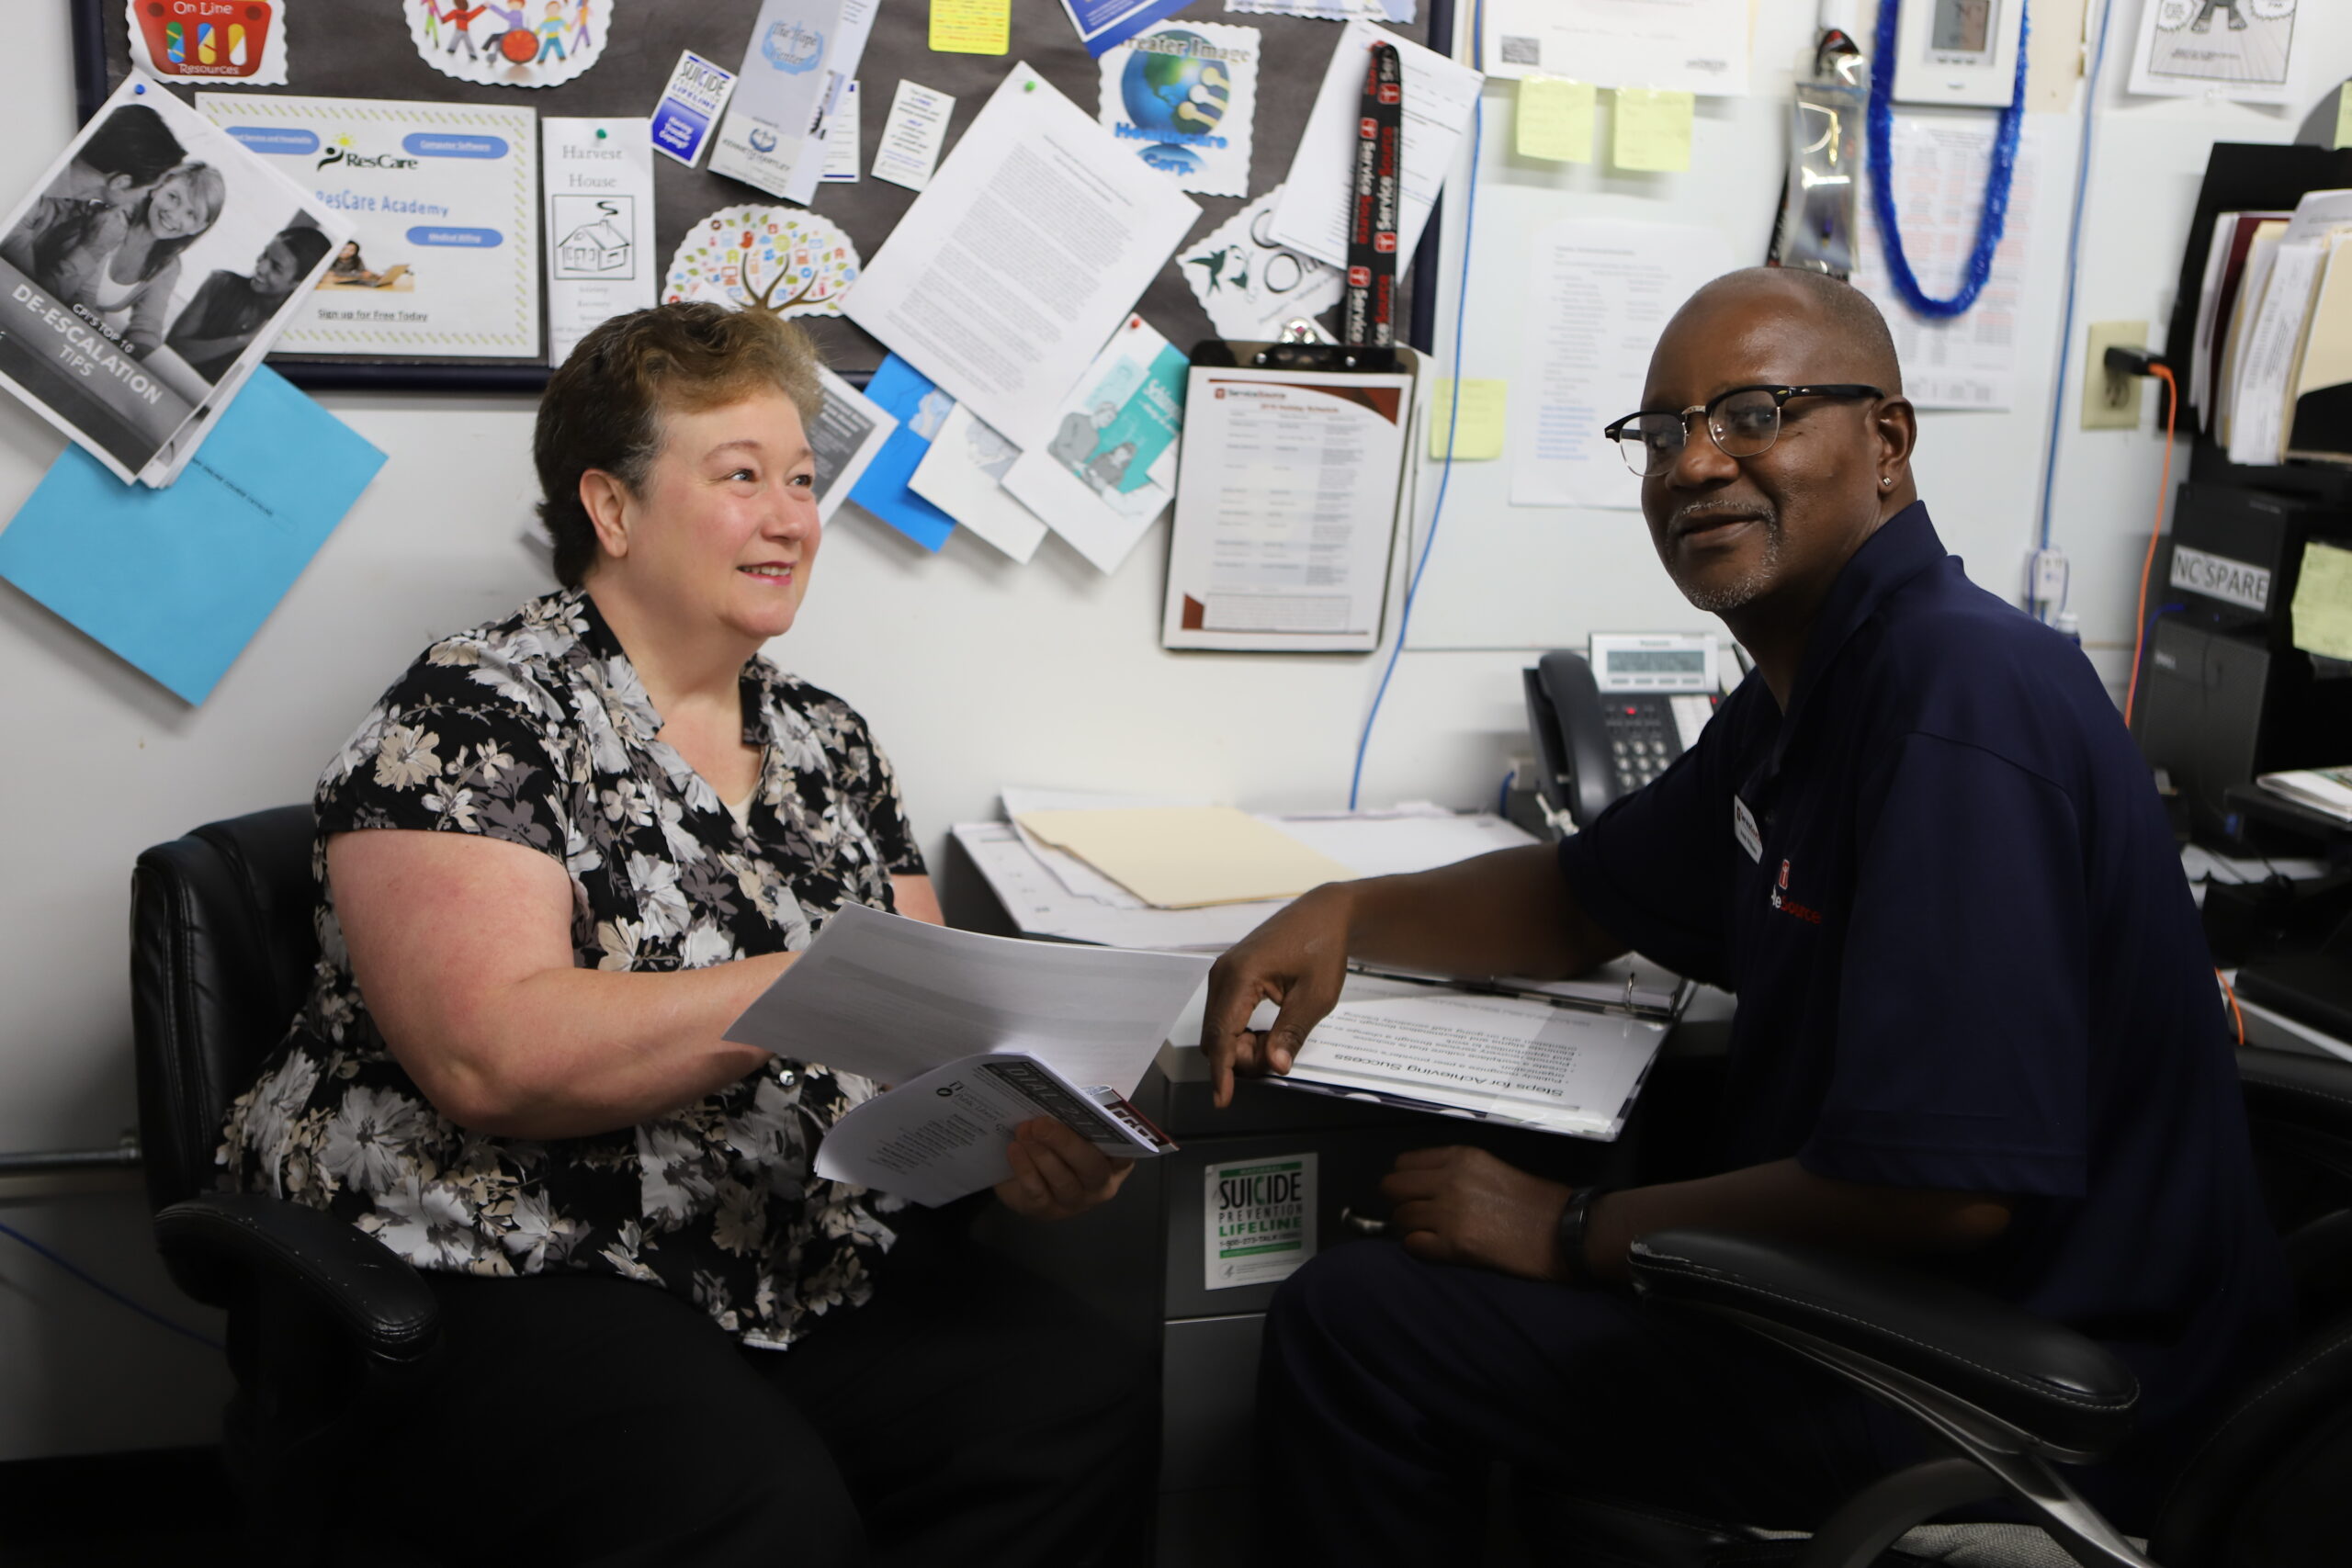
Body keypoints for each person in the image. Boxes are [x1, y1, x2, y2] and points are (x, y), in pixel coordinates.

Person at [1202, 267, 2291, 1561]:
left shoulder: (1956, 699)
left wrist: (1564, 1230)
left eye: (1755, 413)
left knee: (1364, 1323)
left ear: (1886, 443)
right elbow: (1576, 900)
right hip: (1908, 1315)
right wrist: (1344, 908)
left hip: (2016, 1392)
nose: (1695, 462)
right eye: (1662, 433)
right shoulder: (1806, 692)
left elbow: (1945, 1192)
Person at [218, 303, 1154, 1567]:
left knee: (1073, 1397)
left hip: (780, 1239)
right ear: (611, 509)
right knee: (751, 1505)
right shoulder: (472, 710)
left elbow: (935, 1022)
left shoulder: (830, 738)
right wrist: (796, 985)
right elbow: (490, 1054)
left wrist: (1019, 1135)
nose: (791, 517)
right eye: (742, 476)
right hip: (513, 1250)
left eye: (805, 480)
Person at [26, 162, 223, 356]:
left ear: (199, 227)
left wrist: (141, 356)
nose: (174, 214)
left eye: (191, 214)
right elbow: (65, 290)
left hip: (71, 337)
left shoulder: (168, 266)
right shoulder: (110, 217)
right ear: (159, 187)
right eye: (173, 197)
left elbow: (147, 327)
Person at [0, 102, 183, 284]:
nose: (149, 197)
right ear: (120, 182)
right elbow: (22, 297)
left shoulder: (82, 207)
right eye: (150, 188)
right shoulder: (23, 197)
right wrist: (92, 250)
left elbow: (83, 298)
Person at [163, 223, 333, 382]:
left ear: (298, 283)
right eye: (265, 255)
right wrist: (243, 340)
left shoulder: (293, 329)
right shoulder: (220, 283)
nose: (261, 267)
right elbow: (171, 351)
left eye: (276, 267)